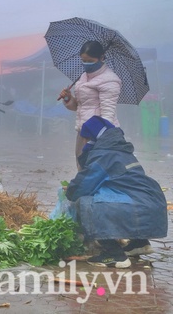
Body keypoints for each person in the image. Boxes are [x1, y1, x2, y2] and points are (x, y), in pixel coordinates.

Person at [65, 116, 167, 268]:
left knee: (85, 202)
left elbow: (83, 185)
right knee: (110, 194)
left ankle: (114, 254)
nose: (84, 143)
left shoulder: (103, 155)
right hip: (153, 205)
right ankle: (138, 243)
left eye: (85, 138)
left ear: (93, 137)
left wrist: (69, 191)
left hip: (138, 207)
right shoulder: (123, 152)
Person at [59, 40, 121, 169]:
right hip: (83, 131)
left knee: (95, 172)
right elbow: (80, 107)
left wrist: (102, 140)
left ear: (101, 58)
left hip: (98, 133)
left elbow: (108, 112)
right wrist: (68, 98)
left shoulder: (109, 80)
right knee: (82, 169)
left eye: (90, 60)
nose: (86, 64)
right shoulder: (83, 77)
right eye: (83, 60)